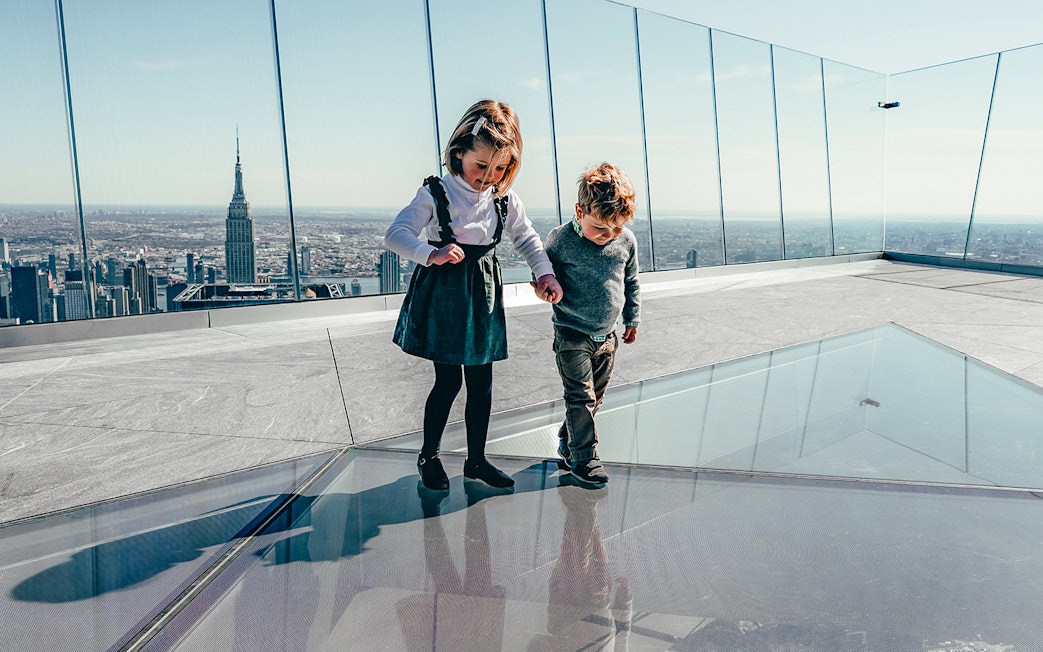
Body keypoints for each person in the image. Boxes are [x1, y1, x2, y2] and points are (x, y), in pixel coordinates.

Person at [384, 99, 563, 492]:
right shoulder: (436, 193)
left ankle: (476, 461)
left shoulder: (503, 198)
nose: (488, 176)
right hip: (445, 294)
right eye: (481, 165)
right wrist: (431, 254)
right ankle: (429, 456)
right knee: (447, 382)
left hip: (482, 295)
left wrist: (544, 273)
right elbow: (396, 235)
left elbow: (527, 238)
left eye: (500, 168)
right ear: (459, 152)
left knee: (482, 383)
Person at [542, 162, 640, 486]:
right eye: (600, 228)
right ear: (579, 210)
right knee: (580, 397)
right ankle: (585, 459)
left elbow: (631, 282)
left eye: (615, 228)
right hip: (571, 333)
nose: (608, 236)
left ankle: (568, 440)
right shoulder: (561, 240)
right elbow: (542, 271)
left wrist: (632, 317)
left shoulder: (625, 241)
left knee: (594, 398)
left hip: (607, 336)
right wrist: (545, 288)